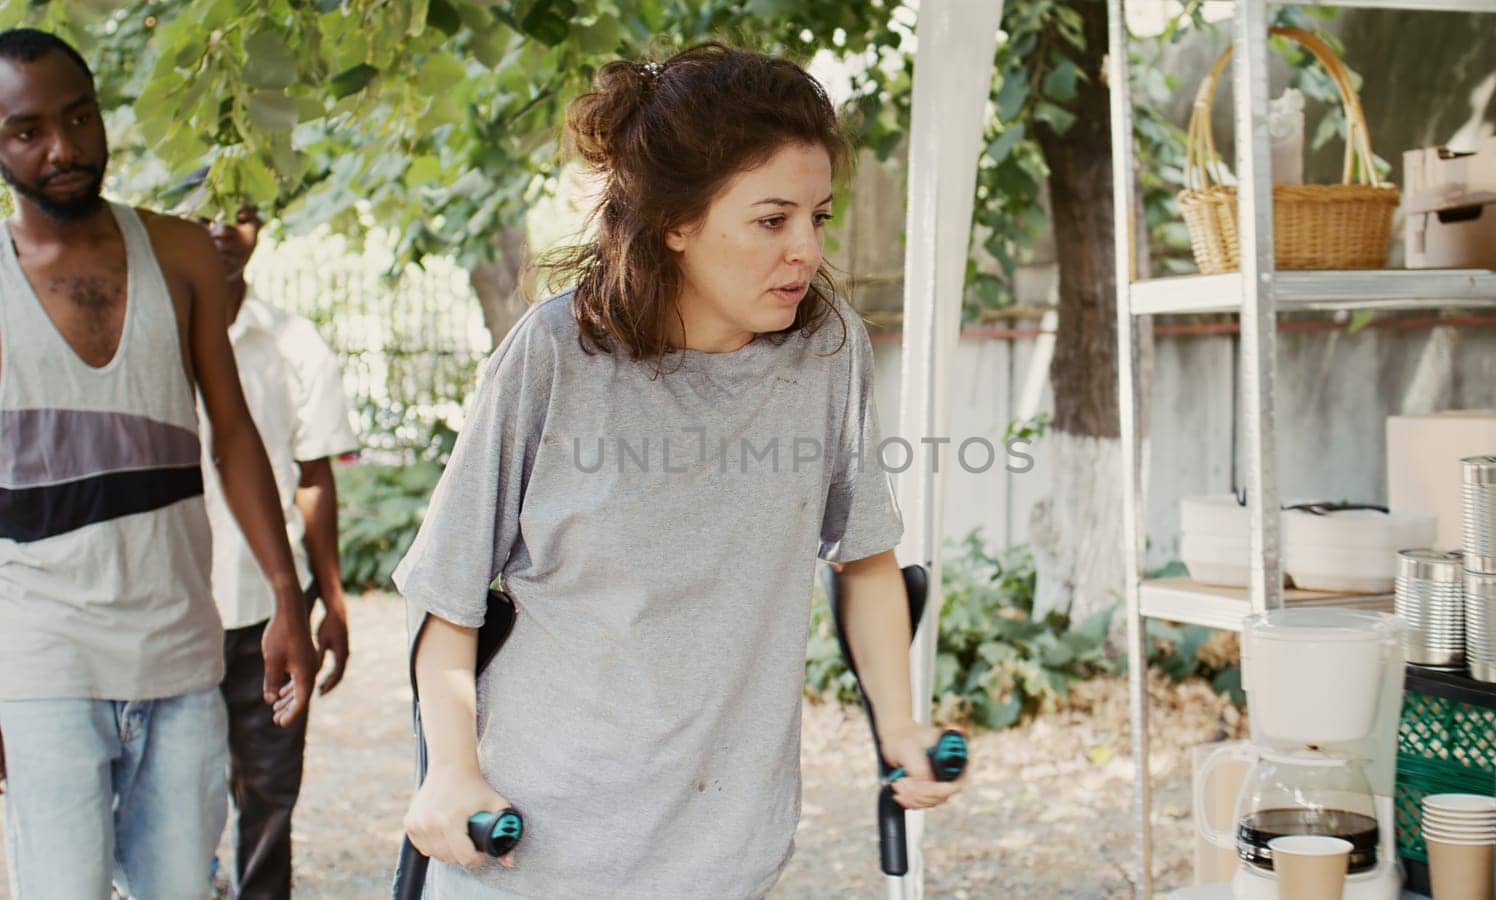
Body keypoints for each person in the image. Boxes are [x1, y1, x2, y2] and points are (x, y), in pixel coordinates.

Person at [395, 43, 965, 898]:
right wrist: (449, 771)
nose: (806, 250)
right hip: (535, 854)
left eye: (819, 216)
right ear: (677, 221)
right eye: (772, 220)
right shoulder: (557, 356)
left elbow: (868, 558)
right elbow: (449, 595)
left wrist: (900, 726)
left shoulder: (825, 352)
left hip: (726, 858)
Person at [0, 28, 318, 900]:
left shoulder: (178, 253)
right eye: (28, 130)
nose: (63, 148)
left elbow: (236, 435)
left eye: (80, 117)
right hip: (38, 657)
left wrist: (288, 600)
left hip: (180, 647)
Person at [180, 187, 359, 899]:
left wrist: (331, 601)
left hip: (267, 613)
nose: (226, 228)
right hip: (175, 610)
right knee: (175, 805)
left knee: (270, 800)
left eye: (243, 211)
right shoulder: (148, 334)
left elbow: (314, 477)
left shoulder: (293, 341)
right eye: (207, 212)